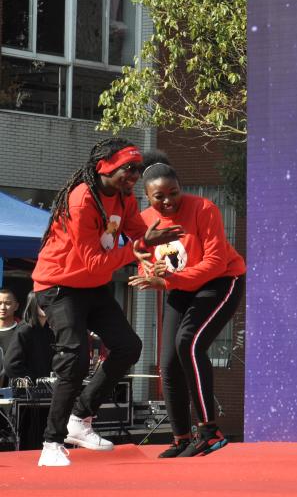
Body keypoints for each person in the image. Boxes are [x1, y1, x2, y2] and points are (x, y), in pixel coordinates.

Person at [32, 138, 182, 467]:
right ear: (104, 167)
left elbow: (139, 233)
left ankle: (80, 418)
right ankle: (51, 444)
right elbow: (93, 261)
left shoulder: (125, 197)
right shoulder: (82, 199)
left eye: (138, 169)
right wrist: (138, 249)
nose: (135, 175)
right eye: (129, 169)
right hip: (59, 285)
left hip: (92, 285)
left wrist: (160, 250)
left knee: (128, 346)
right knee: (74, 360)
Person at [129, 152, 246, 458]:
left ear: (181, 187)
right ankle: (181, 437)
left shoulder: (203, 208)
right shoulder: (145, 220)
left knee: (189, 343)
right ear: (147, 196)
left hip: (221, 281)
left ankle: (210, 431)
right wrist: (150, 273)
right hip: (179, 287)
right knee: (168, 362)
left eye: (174, 192)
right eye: (159, 197)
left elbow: (216, 262)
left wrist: (169, 280)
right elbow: (143, 258)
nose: (168, 201)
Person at [3, 292, 56, 450]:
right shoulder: (25, 329)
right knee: (28, 440)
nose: (47, 307)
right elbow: (11, 364)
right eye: (43, 304)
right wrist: (32, 380)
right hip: (26, 397)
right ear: (33, 304)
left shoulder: (50, 330)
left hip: (47, 394)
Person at [0, 288, 20, 386]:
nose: (3, 307)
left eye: (7, 303)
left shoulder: (23, 332)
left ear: (16, 306)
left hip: (15, 390)